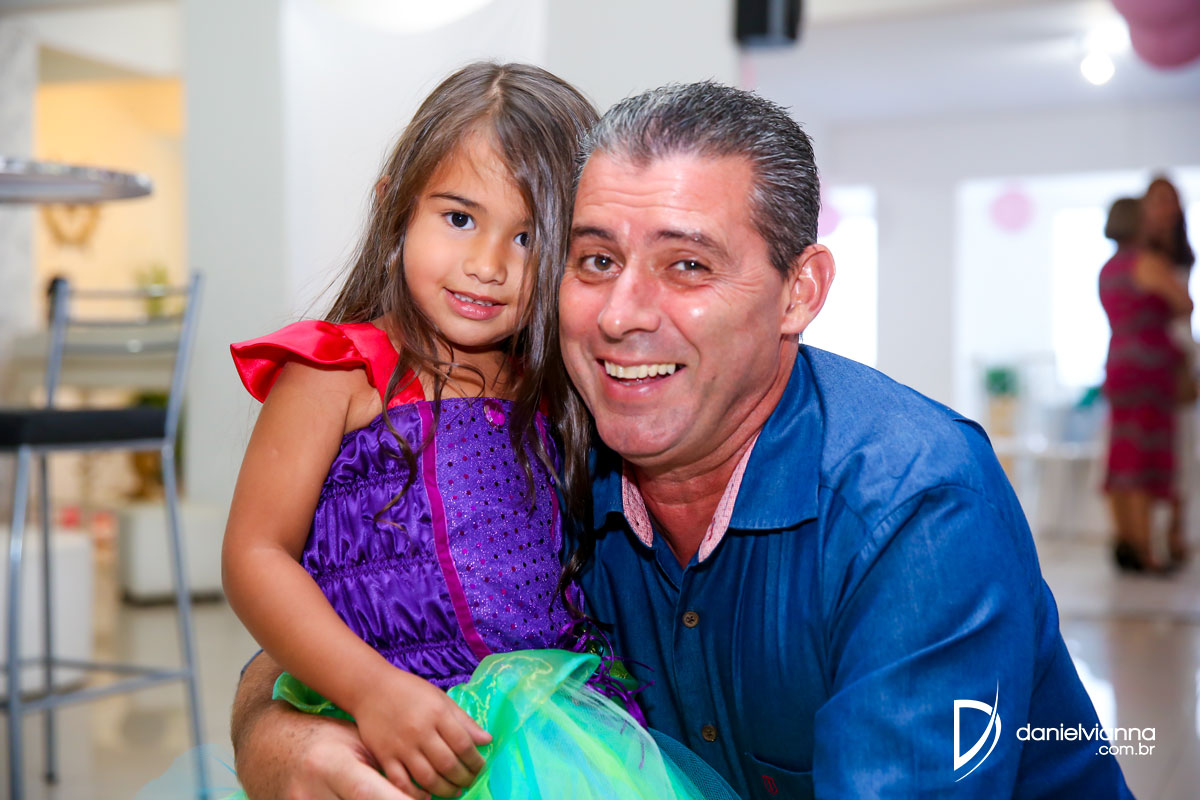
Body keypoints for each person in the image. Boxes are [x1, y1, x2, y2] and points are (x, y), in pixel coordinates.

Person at [230, 82, 1132, 799]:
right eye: (596, 260)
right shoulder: (553, 450)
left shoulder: (914, 509)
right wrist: (280, 739)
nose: (623, 314)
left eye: (687, 265)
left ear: (800, 293)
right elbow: (352, 614)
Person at [220, 63, 734, 800]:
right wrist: (370, 691)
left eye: (528, 238)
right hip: (390, 718)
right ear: (395, 208)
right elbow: (254, 553)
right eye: (459, 219)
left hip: (560, 735)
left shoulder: (557, 391)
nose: (488, 266)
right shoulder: (339, 371)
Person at [1100, 189, 1194, 573]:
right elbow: (1185, 303)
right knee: (1144, 459)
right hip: (1150, 370)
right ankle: (1144, 549)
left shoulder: (1108, 268)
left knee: (1122, 455)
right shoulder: (1147, 262)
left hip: (1119, 363)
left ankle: (1127, 542)